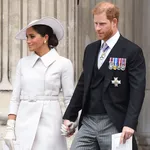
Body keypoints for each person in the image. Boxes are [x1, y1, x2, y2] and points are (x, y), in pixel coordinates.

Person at [62, 1, 146, 150]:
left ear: (114, 22)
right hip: (88, 121)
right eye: (95, 24)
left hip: (114, 123)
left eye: (102, 24)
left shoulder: (132, 51)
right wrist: (70, 115)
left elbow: (137, 91)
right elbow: (83, 85)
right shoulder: (90, 49)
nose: (97, 28)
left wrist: (130, 123)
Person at [3, 17, 74, 150]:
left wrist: (70, 121)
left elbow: (69, 98)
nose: (28, 41)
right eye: (27, 37)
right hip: (23, 121)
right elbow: (15, 97)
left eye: (32, 36)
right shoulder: (23, 63)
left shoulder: (63, 63)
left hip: (50, 122)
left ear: (45, 37)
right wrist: (10, 127)